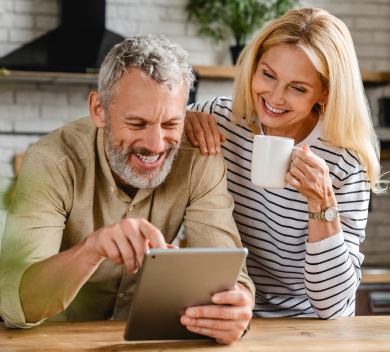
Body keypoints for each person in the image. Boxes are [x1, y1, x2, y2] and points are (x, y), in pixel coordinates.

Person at [0, 35, 254, 344]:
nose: (155, 145)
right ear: (99, 110)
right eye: (137, 124)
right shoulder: (51, 160)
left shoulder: (200, 159)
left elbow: (229, 275)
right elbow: (14, 303)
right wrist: (91, 249)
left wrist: (237, 310)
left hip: (150, 343)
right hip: (58, 342)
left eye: (171, 124)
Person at [185, 8, 385, 319]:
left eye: (298, 88)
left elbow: (333, 306)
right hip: (227, 311)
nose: (275, 97)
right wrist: (179, 119)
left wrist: (321, 202)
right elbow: (151, 126)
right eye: (268, 74)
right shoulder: (221, 120)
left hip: (306, 327)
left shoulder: (345, 163)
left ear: (325, 93)